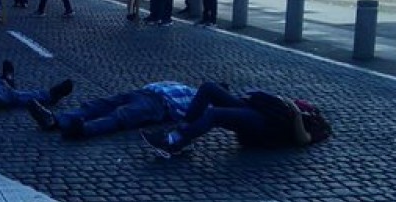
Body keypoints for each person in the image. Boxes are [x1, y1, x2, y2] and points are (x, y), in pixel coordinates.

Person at [141, 82, 332, 159]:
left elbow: (303, 140)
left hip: (264, 124)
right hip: (254, 108)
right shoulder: (312, 110)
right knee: (208, 88)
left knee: (215, 114)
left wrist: (298, 114)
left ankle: (175, 141)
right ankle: (184, 129)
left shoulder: (317, 126)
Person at [27, 81, 196, 140]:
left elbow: (189, 116)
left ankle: (83, 129)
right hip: (144, 92)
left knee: (120, 116)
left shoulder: (203, 102)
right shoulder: (188, 88)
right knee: (98, 105)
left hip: (159, 104)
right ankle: (56, 120)